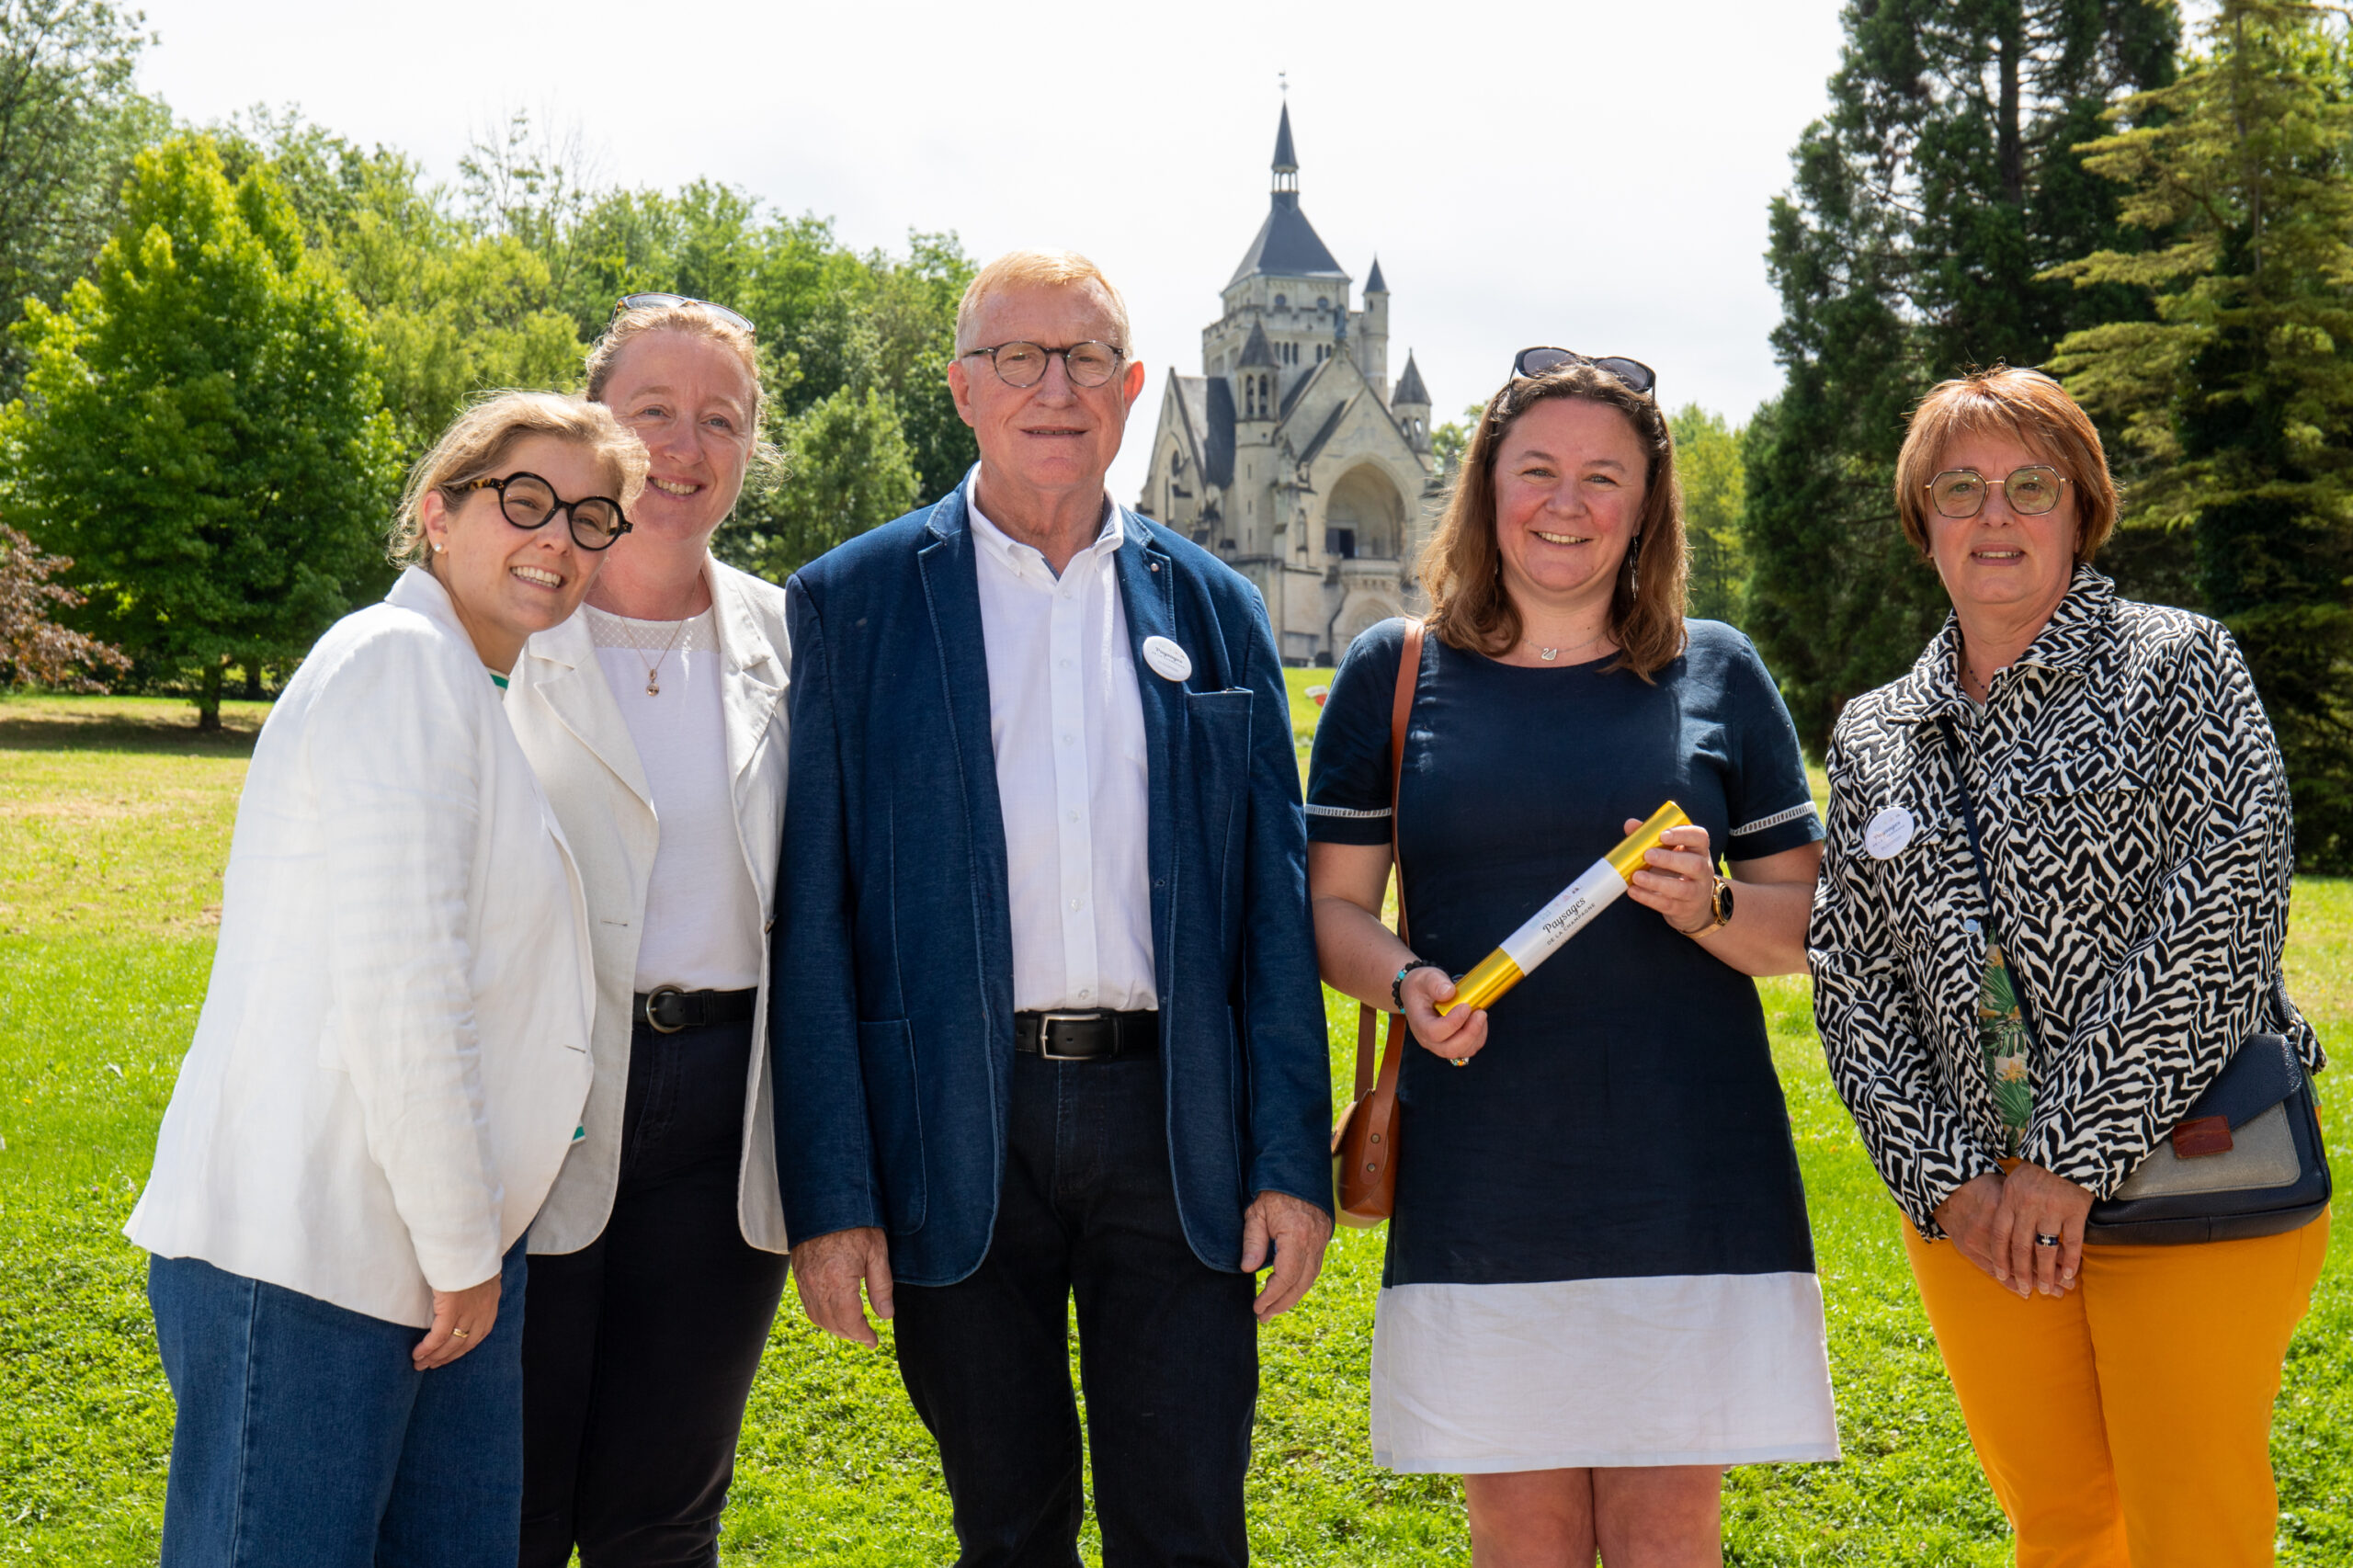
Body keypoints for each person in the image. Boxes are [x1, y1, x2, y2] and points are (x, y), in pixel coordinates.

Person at [771, 249, 1334, 1567]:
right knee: (1007, 1526)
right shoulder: (851, 604)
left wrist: (1287, 1160)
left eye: (1084, 359)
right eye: (1017, 358)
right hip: (955, 1120)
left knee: (1187, 1526)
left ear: (1131, 389)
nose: (1054, 389)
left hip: (1174, 1126)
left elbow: (1271, 906)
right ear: (963, 388)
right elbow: (816, 921)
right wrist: (834, 1192)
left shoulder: (1218, 607)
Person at [1306, 352, 1839, 1567]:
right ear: (1485, 485)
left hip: (1685, 1170)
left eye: (1604, 476)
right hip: (1484, 1169)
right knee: (1523, 1534)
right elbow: (1331, 909)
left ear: (1646, 504)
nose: (1566, 501)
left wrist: (1709, 905)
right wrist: (1404, 980)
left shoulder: (1718, 669)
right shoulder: (1394, 668)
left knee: (1666, 1532)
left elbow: (1803, 925)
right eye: (1536, 467)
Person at [1811, 366, 2329, 1567]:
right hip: (1978, 1216)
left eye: (2029, 486)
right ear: (1922, 518)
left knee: (2193, 1534)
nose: (1994, 515)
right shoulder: (1877, 728)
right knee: (2058, 1526)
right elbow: (1850, 972)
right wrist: (1948, 1181)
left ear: (2081, 508)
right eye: (1959, 487)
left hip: (2192, 1173)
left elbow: (2223, 914)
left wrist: (2067, 1158)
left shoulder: (2179, 664)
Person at [125, 392, 642, 1567]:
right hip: (318, 1248)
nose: (558, 538)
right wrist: (463, 1249)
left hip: (428, 1250)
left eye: (591, 517)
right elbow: (405, 986)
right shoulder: (399, 663)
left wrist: (468, 1250)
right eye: (526, 500)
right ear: (439, 514)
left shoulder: (466, 687)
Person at [502, 296, 793, 1567]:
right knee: (508, 1496)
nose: (685, 446)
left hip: (725, 1109)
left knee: (664, 1513)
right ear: (593, 425)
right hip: (537, 1089)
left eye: (720, 419)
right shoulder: (504, 621)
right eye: (653, 411)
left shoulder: (792, 634)